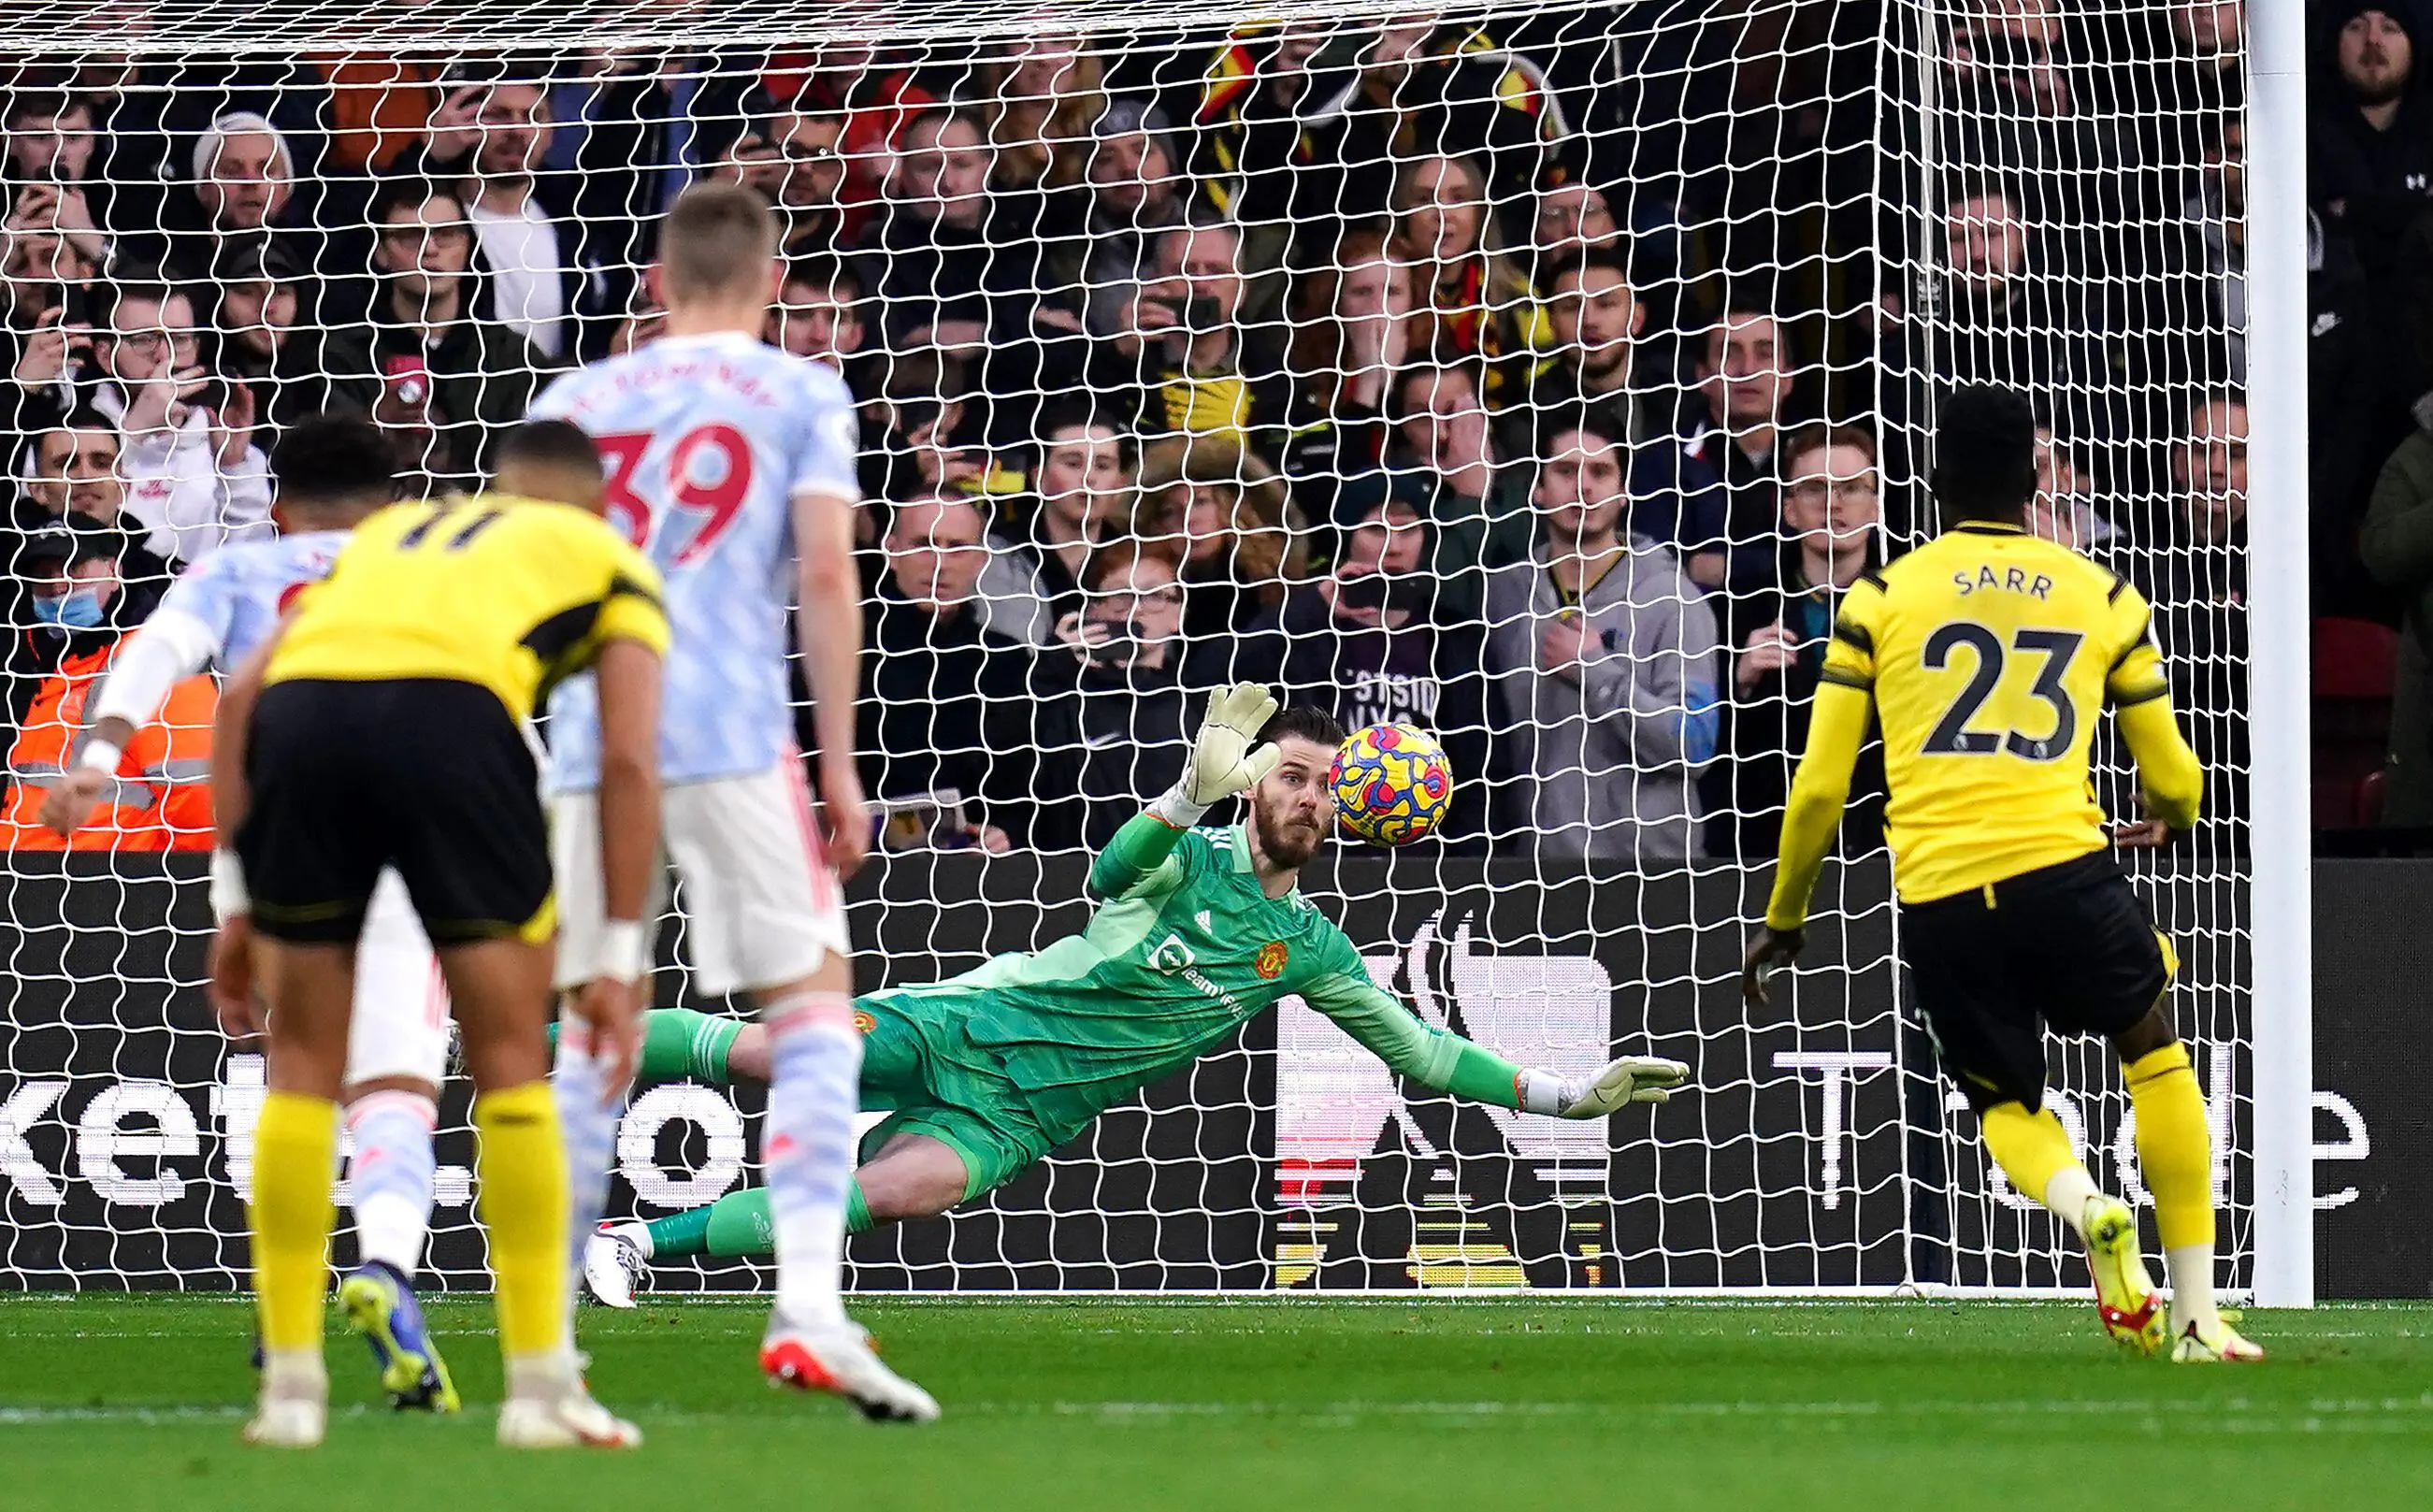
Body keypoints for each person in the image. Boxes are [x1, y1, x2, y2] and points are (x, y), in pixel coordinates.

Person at [578, 692, 1689, 1299]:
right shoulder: (1186, 854)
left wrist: (1569, 1097)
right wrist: (1182, 790)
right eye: (1290, 774)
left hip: (1022, 1114)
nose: (1309, 796)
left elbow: (1427, 1056)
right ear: (1255, 783)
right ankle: (513, 1035)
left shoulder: (1310, 948)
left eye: (1324, 784)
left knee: (889, 1195)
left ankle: (637, 1245)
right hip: (969, 1024)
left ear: (1352, 807)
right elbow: (1108, 872)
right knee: (766, 1055)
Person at [1741, 383, 2258, 1365]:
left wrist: (1786, 916)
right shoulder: (2101, 592)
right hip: (2067, 871)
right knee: (2150, 1045)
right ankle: (2194, 1314)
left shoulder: (1878, 599)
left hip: (1941, 892)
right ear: (2032, 481)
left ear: (1929, 485)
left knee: (2007, 1106)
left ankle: (2083, 1204)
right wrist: (2174, 818)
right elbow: (2177, 775)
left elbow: (1816, 791)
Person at [525, 182, 934, 1421]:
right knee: (814, 1019)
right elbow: (822, 569)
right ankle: (807, 1310)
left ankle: (544, 1360)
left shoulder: (572, 401)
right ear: (770, 284)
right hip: (734, 740)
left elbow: (524, 595)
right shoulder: (804, 390)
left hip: (593, 749)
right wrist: (844, 763)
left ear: (655, 278)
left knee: (594, 1033)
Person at [207, 421, 670, 1447]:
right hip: (457, 727)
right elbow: (632, 761)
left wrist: (235, 900)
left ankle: (289, 1395)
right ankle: (541, 1392)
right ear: (596, 503)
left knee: (303, 1075)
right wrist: (622, 952)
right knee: (508, 1065)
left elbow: (239, 696)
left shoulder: (397, 536)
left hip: (303, 723)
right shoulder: (609, 557)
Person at [36, 417, 470, 1406]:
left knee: (299, 1077)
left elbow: (147, 661)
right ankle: (388, 1272)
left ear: (277, 508)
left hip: (286, 846)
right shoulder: (435, 579)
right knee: (399, 1082)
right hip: (414, 843)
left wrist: (97, 763)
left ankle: (284, 1313)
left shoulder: (236, 578)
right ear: (394, 505)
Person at [1481, 418, 1722, 866]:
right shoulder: (1505, 594)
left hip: (1654, 870)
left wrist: (1596, 671)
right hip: (1538, 866)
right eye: (1566, 471)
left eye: (1600, 472)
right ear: (1537, 488)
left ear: (1624, 490)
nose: (1584, 487)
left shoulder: (1674, 599)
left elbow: (1695, 746)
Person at [275, 177, 546, 491]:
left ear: (467, 246)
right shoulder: (335, 357)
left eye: (445, 235)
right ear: (381, 253)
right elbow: (311, 472)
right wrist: (373, 425)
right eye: (411, 237)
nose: (430, 250)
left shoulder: (513, 357)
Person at [1707, 425, 1889, 861]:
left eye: (1851, 488)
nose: (1834, 504)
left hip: (1879, 848)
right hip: (1766, 846)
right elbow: (1700, 746)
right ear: (1789, 509)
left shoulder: (1907, 604)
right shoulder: (1737, 607)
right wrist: (1741, 682)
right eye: (1814, 489)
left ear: (1877, 506)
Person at [1, 522, 212, 850]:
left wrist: (176, 892)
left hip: (114, 889)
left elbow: (198, 799)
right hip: (38, 886)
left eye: (73, 568)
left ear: (114, 572)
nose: (58, 586)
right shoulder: (42, 671)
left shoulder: (153, 662)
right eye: (44, 574)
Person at [860, 492, 1041, 853]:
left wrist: (1006, 833)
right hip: (857, 864)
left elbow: (1026, 790)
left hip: (974, 872)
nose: (940, 562)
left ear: (979, 560)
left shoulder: (1007, 661)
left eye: (956, 547)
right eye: (924, 544)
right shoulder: (847, 651)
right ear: (891, 550)